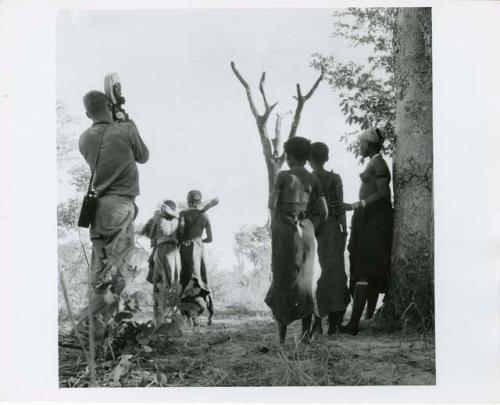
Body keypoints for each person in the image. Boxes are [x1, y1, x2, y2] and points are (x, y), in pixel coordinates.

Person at [76, 90, 149, 338]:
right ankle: (86, 324)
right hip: (119, 207)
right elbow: (143, 156)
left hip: (98, 210)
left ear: (87, 113)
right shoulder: (125, 129)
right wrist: (126, 120)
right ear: (109, 104)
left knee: (99, 271)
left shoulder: (84, 138)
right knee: (120, 272)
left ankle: (97, 330)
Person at [265, 136, 328, 344]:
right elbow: (324, 211)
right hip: (307, 235)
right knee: (305, 282)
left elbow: (272, 206)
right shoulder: (313, 179)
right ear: (306, 156)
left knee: (283, 280)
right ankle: (304, 336)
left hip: (285, 236)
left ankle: (281, 337)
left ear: (290, 157)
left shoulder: (283, 176)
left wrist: (277, 228)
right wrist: (310, 225)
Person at [339, 127, 394, 335]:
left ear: (370, 144)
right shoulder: (375, 162)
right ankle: (366, 318)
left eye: (361, 143)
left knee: (364, 269)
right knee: (367, 269)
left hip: (374, 223)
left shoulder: (378, 163)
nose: (359, 146)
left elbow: (382, 194)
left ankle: (355, 323)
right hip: (369, 220)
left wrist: (355, 205)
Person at [308, 142, 351, 336]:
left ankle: (316, 321)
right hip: (332, 228)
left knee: (316, 275)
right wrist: (344, 229)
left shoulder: (306, 179)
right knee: (335, 274)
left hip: (311, 227)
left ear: (309, 159)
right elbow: (340, 206)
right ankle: (334, 323)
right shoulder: (334, 178)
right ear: (326, 158)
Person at [178, 190, 214, 326]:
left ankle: (185, 314)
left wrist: (185, 239)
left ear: (188, 201)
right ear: (200, 202)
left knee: (183, 278)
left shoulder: (183, 214)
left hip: (185, 249)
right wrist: (198, 241)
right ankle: (208, 312)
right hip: (199, 251)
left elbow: (180, 231)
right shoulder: (205, 217)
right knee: (203, 280)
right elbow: (210, 239)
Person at [148, 200, 182, 324]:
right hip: (174, 252)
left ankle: (157, 314)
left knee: (156, 279)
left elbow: (151, 234)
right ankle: (174, 315)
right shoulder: (178, 220)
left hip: (161, 250)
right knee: (174, 281)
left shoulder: (158, 218)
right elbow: (181, 235)